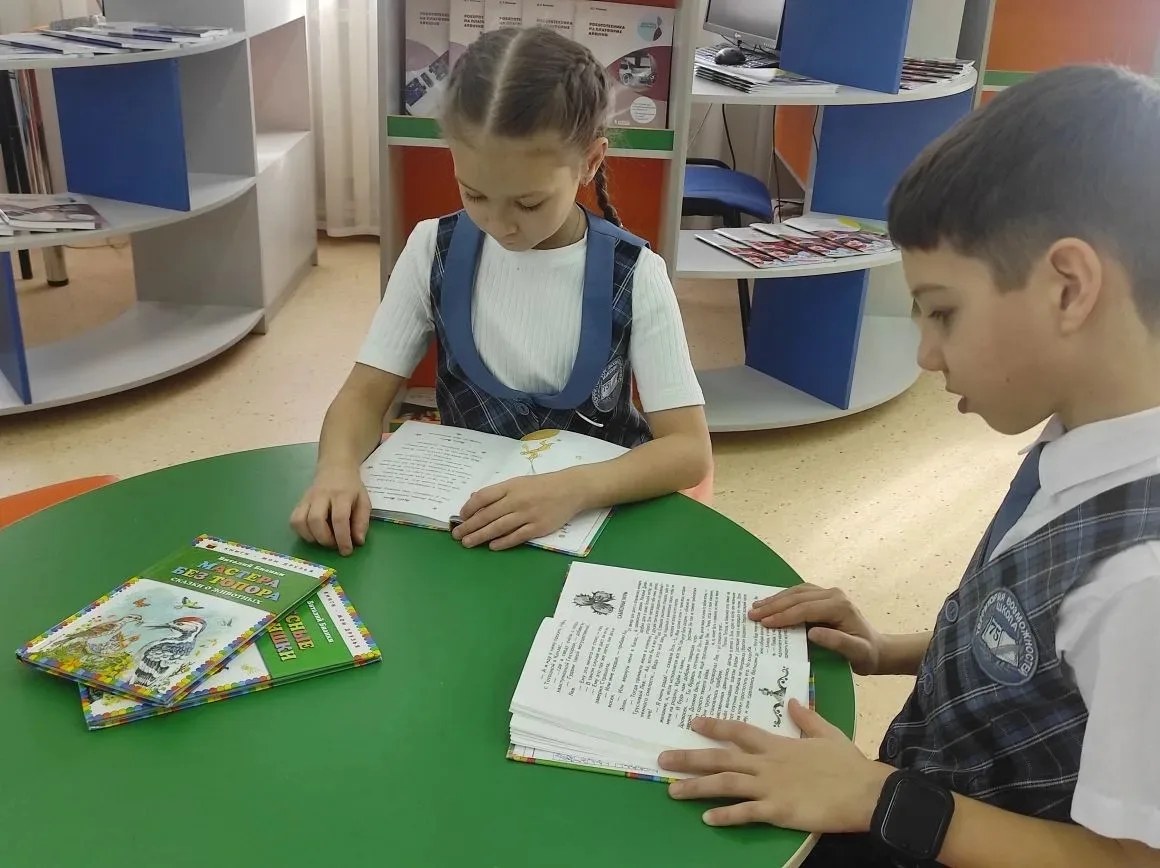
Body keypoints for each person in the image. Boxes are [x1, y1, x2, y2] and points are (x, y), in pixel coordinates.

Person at [656, 64, 1160, 867]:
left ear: (1068, 288)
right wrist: (884, 649)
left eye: (944, 314)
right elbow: (1033, 646)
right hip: (910, 798)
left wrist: (878, 798)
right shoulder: (1085, 429)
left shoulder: (1142, 585)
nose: (926, 354)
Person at [291, 27, 711, 556]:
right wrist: (335, 469)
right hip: (470, 534)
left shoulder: (636, 272)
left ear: (590, 162)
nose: (500, 224)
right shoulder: (432, 248)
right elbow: (361, 396)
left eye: (529, 203)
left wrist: (574, 489)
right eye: (474, 194)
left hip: (597, 529)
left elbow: (688, 450)